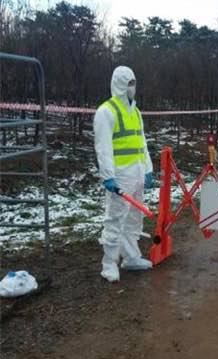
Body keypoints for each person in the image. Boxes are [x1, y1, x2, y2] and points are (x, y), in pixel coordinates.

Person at [94, 66, 154, 282]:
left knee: (134, 219)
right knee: (115, 218)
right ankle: (109, 264)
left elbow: (142, 142)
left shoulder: (136, 112)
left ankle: (131, 257)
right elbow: (103, 148)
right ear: (119, 84)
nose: (133, 87)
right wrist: (108, 175)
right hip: (120, 175)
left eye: (134, 82)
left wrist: (148, 169)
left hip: (137, 173)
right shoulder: (106, 111)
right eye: (129, 83)